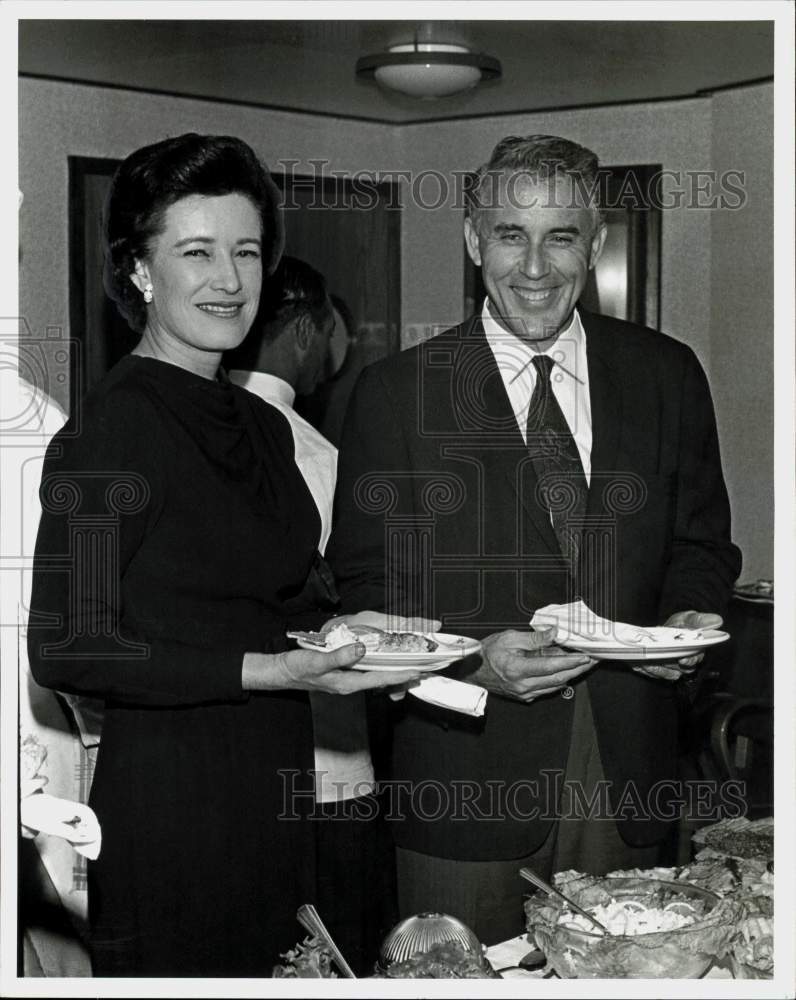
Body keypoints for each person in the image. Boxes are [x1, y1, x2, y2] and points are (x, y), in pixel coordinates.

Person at [326, 134, 742, 944]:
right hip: (464, 778)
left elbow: (702, 544)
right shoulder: (394, 393)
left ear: (597, 243)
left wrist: (690, 618)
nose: (535, 267)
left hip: (628, 771)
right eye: (511, 235)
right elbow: (366, 592)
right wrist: (470, 660)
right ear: (476, 240)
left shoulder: (667, 375)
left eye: (561, 236)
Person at [27, 132, 421, 977]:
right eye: (197, 252)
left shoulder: (260, 424)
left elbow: (277, 605)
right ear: (140, 270)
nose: (231, 280)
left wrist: (358, 627)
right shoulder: (115, 429)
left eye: (247, 251)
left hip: (276, 796)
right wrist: (269, 672)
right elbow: (68, 644)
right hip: (173, 813)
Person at [225, 257, 396, 974]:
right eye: (329, 331)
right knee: (342, 946)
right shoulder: (318, 454)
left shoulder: (194, 428)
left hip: (224, 758)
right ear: (302, 329)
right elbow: (356, 600)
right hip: (327, 763)